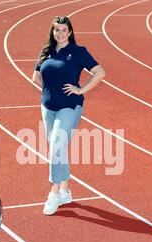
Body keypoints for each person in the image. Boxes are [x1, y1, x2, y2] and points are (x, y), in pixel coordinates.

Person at [32, 16, 105, 215]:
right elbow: (36, 76)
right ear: (52, 32)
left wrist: (81, 90)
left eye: (64, 30)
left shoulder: (78, 52)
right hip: (47, 107)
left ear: (70, 32)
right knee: (58, 148)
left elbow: (100, 72)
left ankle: (54, 193)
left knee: (56, 145)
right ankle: (66, 191)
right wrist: (48, 91)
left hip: (69, 106)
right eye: (57, 30)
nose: (60, 33)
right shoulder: (46, 51)